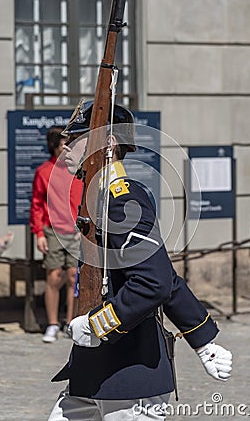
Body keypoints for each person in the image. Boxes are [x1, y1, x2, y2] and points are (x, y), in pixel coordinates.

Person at [48, 103, 233, 420]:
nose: (64, 146)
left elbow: (155, 281)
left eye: (77, 138)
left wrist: (97, 325)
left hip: (129, 377)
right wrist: (202, 338)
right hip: (90, 374)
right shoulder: (98, 197)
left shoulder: (122, 199)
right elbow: (162, 276)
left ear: (106, 144)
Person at [30, 126, 83, 343]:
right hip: (53, 231)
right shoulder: (43, 171)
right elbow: (36, 205)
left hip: (76, 231)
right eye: (63, 145)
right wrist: (38, 233)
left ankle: (71, 322)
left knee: (73, 277)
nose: (67, 149)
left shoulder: (78, 170)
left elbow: (87, 199)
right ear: (54, 146)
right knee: (53, 277)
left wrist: (84, 227)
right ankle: (52, 324)